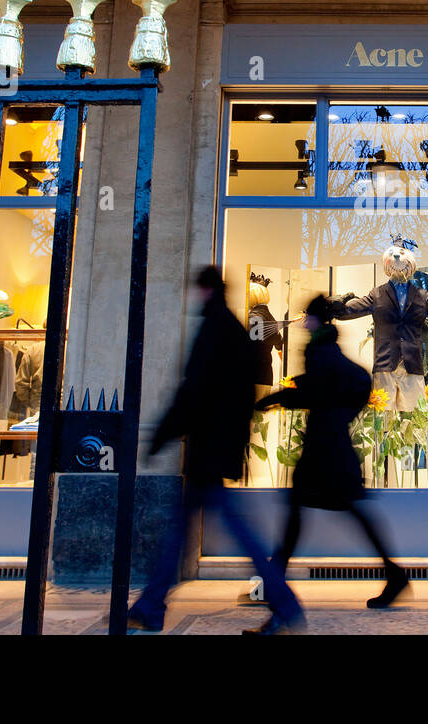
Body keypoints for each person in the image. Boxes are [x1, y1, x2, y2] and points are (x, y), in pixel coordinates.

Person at [128, 265, 305, 635]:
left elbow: (193, 389)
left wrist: (162, 433)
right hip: (218, 447)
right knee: (191, 529)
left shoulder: (216, 329)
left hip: (208, 448)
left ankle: (285, 604)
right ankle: (152, 604)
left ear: (205, 290)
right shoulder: (233, 330)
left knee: (229, 533)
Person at [255, 294, 411, 609]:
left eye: (306, 317)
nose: (304, 322)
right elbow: (331, 387)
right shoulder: (328, 351)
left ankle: (272, 584)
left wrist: (278, 399)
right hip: (330, 446)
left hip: (325, 449)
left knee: (304, 511)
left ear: (313, 320)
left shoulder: (319, 351)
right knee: (339, 511)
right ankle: (394, 575)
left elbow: (316, 391)